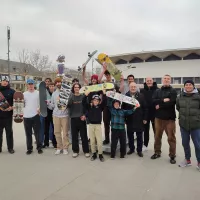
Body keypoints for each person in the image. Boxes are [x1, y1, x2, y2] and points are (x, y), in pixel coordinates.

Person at [151, 74, 177, 164]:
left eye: (168, 79)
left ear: (170, 80)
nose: (166, 80)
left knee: (171, 138)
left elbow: (172, 103)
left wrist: (160, 104)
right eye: (165, 78)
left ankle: (172, 155)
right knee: (157, 137)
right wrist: (163, 100)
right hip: (158, 118)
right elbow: (153, 101)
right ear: (162, 80)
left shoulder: (173, 91)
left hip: (170, 119)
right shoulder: (157, 91)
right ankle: (157, 152)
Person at [176, 80, 200, 171]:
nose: (188, 86)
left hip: (196, 125)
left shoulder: (198, 96)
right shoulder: (180, 96)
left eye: (190, 85)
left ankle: (199, 161)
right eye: (187, 85)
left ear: (193, 86)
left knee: (198, 145)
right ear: (184, 86)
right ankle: (187, 160)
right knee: (185, 143)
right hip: (184, 125)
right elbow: (178, 108)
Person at [98, 64, 121, 145]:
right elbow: (98, 80)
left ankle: (115, 139)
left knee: (114, 123)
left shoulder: (114, 84)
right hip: (105, 107)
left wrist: (121, 80)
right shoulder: (103, 84)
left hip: (113, 107)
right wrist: (103, 70)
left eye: (109, 74)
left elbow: (120, 92)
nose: (107, 76)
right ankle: (107, 139)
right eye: (106, 74)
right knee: (106, 123)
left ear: (111, 75)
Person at [123, 82, 148, 157]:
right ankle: (131, 149)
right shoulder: (126, 96)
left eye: (134, 87)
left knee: (139, 136)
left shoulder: (141, 96)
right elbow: (123, 108)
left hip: (139, 119)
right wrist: (124, 119)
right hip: (129, 119)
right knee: (130, 135)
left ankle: (139, 150)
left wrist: (145, 118)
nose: (133, 88)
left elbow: (145, 108)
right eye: (131, 87)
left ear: (136, 87)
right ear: (129, 88)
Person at [47, 77, 69, 155]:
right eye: (57, 83)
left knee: (65, 132)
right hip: (56, 115)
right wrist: (48, 103)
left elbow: (69, 103)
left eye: (59, 82)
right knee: (57, 132)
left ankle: (65, 147)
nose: (58, 84)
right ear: (55, 84)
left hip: (65, 115)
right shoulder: (54, 93)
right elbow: (52, 106)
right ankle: (59, 147)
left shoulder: (66, 92)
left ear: (61, 83)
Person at [68, 83, 90, 158]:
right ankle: (75, 151)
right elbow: (67, 105)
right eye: (75, 87)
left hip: (82, 118)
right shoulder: (71, 97)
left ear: (80, 88)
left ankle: (86, 151)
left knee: (84, 136)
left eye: (78, 87)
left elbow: (87, 108)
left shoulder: (83, 96)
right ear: (73, 89)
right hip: (73, 119)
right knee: (74, 136)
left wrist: (85, 115)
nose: (77, 88)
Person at [83, 91, 106, 162]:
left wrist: (104, 94)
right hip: (91, 125)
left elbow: (105, 102)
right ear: (92, 101)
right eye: (94, 100)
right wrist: (85, 95)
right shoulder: (89, 107)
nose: (95, 102)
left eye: (97, 101)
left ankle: (100, 154)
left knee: (99, 141)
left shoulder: (100, 107)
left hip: (98, 125)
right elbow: (84, 103)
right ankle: (94, 154)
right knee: (92, 141)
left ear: (99, 102)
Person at [23, 79, 43, 155]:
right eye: (29, 84)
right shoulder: (24, 94)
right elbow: (21, 104)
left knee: (37, 133)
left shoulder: (38, 93)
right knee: (28, 134)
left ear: (34, 85)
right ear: (27, 85)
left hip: (35, 115)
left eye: (32, 84)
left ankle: (39, 147)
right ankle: (29, 149)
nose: (31, 85)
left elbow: (42, 103)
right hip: (26, 116)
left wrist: (40, 108)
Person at [140, 77, 158, 151]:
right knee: (146, 130)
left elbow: (159, 99)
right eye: (148, 81)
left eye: (150, 80)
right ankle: (145, 145)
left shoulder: (157, 90)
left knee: (156, 131)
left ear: (153, 81)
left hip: (155, 114)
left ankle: (157, 146)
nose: (149, 82)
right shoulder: (142, 90)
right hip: (145, 114)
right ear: (145, 82)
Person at [0, 78, 15, 154]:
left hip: (8, 115)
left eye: (6, 81)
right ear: (1, 81)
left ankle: (10, 148)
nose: (5, 82)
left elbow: (16, 102)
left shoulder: (12, 91)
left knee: (9, 132)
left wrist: (11, 107)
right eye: (3, 81)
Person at [45, 82, 57, 148]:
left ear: (54, 87)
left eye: (53, 86)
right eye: (50, 86)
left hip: (54, 113)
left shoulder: (56, 94)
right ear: (48, 87)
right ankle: (46, 143)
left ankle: (54, 143)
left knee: (54, 129)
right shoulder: (46, 94)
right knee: (46, 129)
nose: (51, 87)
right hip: (47, 113)